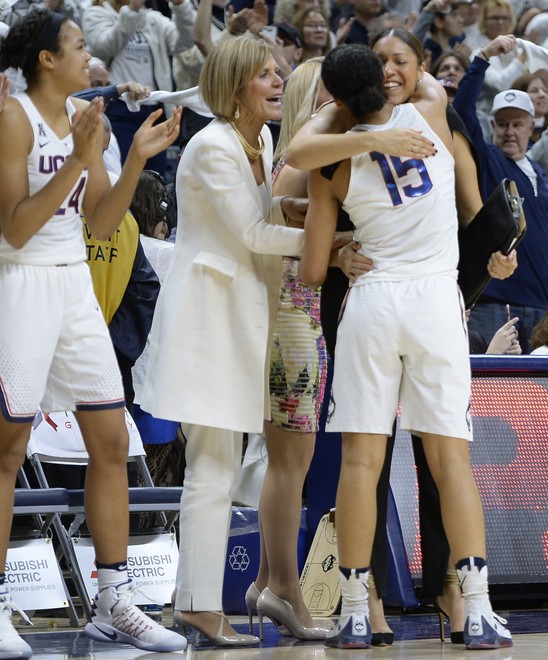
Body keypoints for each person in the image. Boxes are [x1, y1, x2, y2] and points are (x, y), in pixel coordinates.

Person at [300, 43, 512, 650]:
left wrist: (341, 244)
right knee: (451, 463)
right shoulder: (430, 112)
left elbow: (315, 271)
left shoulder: (329, 163)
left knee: (361, 466)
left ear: (334, 97)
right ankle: (477, 608)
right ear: (388, 81)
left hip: (371, 301)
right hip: (436, 304)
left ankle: (352, 612)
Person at [0, 8, 184, 656]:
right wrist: (75, 159)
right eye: (78, 46)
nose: (89, 56)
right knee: (8, 451)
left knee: (109, 440)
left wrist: (129, 157)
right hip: (21, 279)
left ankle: (115, 598)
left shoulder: (90, 122)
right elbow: (17, 227)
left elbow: (103, 224)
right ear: (45, 59)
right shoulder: (13, 118)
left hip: (75, 282)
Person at [138, 35, 320, 647]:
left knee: (218, 465)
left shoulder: (260, 141)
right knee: (211, 468)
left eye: (279, 73)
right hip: (205, 323)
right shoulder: (213, 146)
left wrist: (298, 211)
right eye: (266, 75)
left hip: (240, 322)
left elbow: (267, 216)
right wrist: (324, 242)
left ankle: (199, 604)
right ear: (235, 84)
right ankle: (196, 605)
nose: (278, 82)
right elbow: (252, 232)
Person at [244, 57, 338, 642]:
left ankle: (264, 580)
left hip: (302, 320)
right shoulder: (297, 162)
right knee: (289, 465)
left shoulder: (305, 157)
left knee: (291, 465)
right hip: (291, 323)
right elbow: (279, 213)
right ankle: (285, 590)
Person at [454, 34, 548, 353]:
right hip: (493, 301)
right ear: (491, 126)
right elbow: (462, 112)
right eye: (502, 124)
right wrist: (481, 60)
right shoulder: (486, 160)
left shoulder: (543, 182)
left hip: (544, 308)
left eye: (517, 124)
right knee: (490, 392)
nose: (509, 131)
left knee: (536, 398)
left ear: (531, 125)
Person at [82, 0, 195, 174]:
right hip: (116, 110)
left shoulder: (153, 18)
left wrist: (180, 6)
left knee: (154, 179)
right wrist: (131, 10)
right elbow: (105, 46)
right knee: (118, 175)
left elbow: (184, 42)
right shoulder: (96, 13)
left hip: (153, 110)